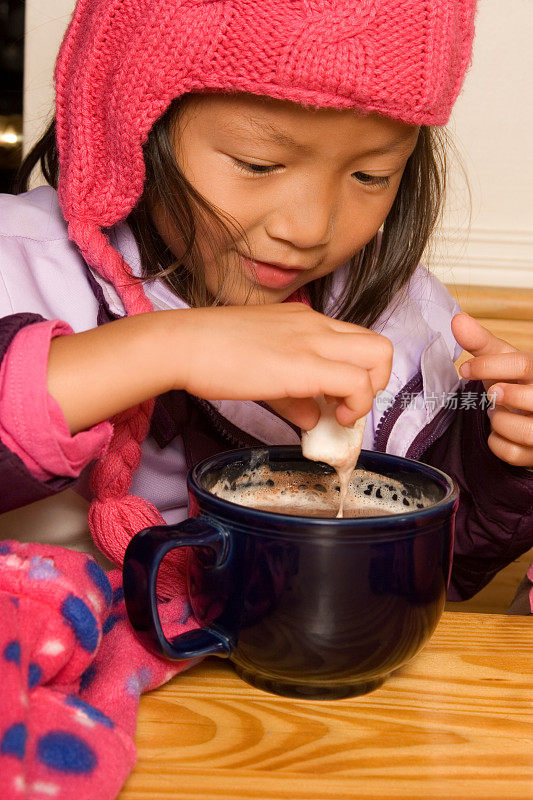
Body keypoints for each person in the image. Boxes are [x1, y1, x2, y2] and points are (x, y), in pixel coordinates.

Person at [0, 0, 532, 795]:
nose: (310, 225)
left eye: (370, 174)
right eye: (257, 164)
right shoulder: (20, 258)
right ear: (129, 123)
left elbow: (426, 577)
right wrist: (161, 348)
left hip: (304, 747)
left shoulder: (389, 311)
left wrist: (503, 461)